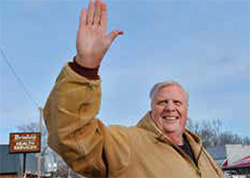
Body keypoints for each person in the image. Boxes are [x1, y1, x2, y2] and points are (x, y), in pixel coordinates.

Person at [44, 0, 225, 177]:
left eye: (177, 102)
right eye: (162, 102)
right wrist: (84, 68)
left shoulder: (201, 152)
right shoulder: (128, 145)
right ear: (151, 110)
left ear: (186, 110)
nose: (171, 107)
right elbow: (72, 137)